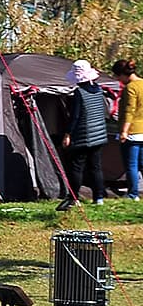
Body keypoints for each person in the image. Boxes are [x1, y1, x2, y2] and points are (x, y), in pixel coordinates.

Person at [58, 59, 113, 210]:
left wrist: (67, 134)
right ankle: (99, 197)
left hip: (83, 135)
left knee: (77, 167)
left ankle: (74, 198)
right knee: (96, 167)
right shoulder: (98, 89)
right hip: (99, 134)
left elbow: (75, 116)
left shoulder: (79, 93)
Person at [116, 59, 143, 199]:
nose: (118, 80)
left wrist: (124, 131)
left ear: (123, 74)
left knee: (131, 165)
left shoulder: (130, 88)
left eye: (118, 76)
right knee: (141, 164)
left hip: (133, 131)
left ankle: (133, 193)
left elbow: (129, 111)